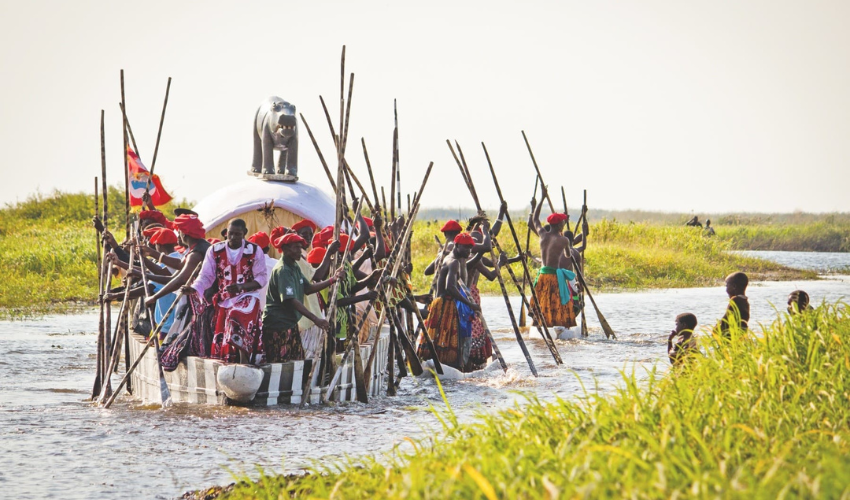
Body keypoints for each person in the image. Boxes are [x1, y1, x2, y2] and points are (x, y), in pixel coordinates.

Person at [186, 218, 269, 364]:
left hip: (248, 296)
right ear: (226, 233)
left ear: (244, 233)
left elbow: (261, 277)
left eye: (237, 234)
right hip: (225, 299)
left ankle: (244, 359)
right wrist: (194, 287)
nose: (233, 238)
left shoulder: (254, 250)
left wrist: (242, 287)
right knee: (224, 327)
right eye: (230, 234)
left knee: (236, 314)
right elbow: (206, 275)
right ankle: (231, 362)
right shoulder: (215, 250)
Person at [262, 233, 338, 363]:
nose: (300, 251)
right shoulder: (283, 270)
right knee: (281, 364)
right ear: (285, 249)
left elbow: (308, 289)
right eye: (296, 247)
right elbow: (291, 300)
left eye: (300, 247)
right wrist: (316, 319)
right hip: (278, 325)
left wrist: (332, 280)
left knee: (296, 361)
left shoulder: (294, 266)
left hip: (290, 323)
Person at [417, 232, 480, 370]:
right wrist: (470, 304)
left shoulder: (451, 259)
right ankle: (448, 367)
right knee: (447, 338)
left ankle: (440, 365)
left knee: (441, 338)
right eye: (466, 247)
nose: (468, 251)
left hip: (442, 304)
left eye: (470, 248)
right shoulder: (454, 262)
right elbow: (450, 287)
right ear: (457, 246)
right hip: (444, 304)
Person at [528, 185, 578, 329]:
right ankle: (556, 327)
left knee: (542, 303)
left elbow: (535, 218)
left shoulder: (542, 234)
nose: (564, 223)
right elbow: (568, 255)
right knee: (557, 304)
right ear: (559, 224)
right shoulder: (564, 240)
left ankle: (540, 326)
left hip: (542, 275)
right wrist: (565, 249)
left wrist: (542, 198)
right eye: (563, 222)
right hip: (553, 277)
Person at [716, 272, 750, 338]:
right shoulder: (745, 301)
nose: (726, 289)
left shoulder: (735, 300)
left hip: (731, 337)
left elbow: (725, 320)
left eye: (727, 286)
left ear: (734, 286)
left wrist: (716, 329)